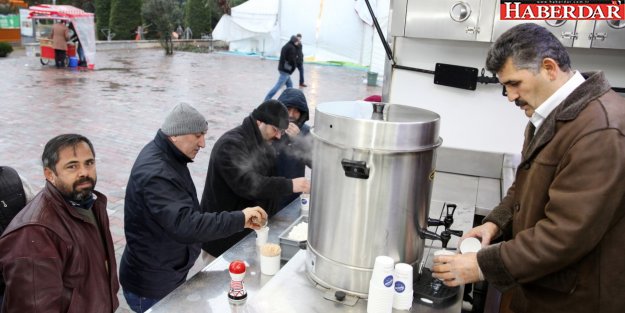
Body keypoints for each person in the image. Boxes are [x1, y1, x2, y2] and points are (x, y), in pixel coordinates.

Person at [431, 23, 625, 313]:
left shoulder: (601, 130)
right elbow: (524, 184)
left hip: (574, 300)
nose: (510, 96)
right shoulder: (550, 115)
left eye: (514, 83)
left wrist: (481, 265)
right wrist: (494, 224)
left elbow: (565, 235)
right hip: (541, 289)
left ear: (548, 68)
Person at [120, 103, 267, 313]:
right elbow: (186, 224)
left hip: (164, 270)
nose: (203, 143)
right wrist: (240, 219)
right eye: (198, 135)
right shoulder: (157, 173)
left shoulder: (170, 156)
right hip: (152, 285)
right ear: (176, 135)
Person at [0, 134, 120, 312]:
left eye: (89, 163)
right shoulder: (35, 233)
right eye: (72, 166)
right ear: (50, 174)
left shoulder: (90, 203)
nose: (84, 172)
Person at [200, 100, 311, 257]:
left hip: (248, 232)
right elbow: (249, 185)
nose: (279, 136)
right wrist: (291, 185)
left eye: (282, 131)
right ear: (259, 121)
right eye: (275, 129)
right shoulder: (230, 145)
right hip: (223, 237)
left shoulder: (264, 141)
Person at [273, 88, 312, 207]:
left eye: (296, 111)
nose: (291, 115)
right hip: (270, 193)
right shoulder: (270, 127)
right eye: (288, 109)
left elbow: (315, 163)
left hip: (293, 195)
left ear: (302, 113)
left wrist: (298, 139)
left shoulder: (305, 131)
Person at [264, 36, 299, 100]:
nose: (298, 43)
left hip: (282, 68)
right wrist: (294, 66)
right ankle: (266, 99)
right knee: (277, 86)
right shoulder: (292, 48)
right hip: (286, 70)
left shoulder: (286, 46)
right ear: (295, 41)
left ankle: (289, 100)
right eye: (297, 42)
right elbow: (292, 60)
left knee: (290, 85)